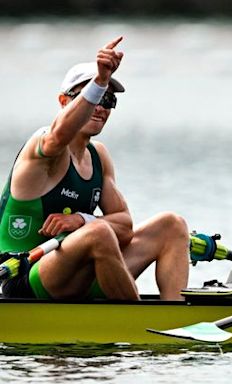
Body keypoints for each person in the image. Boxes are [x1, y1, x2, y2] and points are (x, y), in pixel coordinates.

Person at [0, 37, 189, 301]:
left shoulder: (98, 155)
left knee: (171, 225)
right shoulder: (43, 146)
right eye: (93, 96)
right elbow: (58, 134)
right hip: (25, 276)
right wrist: (99, 81)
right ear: (64, 102)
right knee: (99, 233)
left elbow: (125, 227)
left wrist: (81, 219)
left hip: (79, 270)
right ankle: (139, 323)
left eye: (108, 99)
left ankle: (177, 318)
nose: (100, 106)